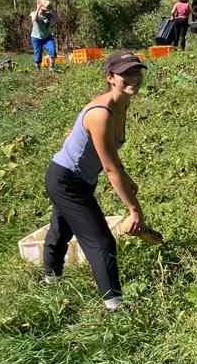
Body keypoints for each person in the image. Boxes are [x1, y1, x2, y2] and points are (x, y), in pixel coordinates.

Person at [44, 51, 150, 310]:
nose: (133, 78)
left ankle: (49, 279)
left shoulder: (122, 103)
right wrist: (134, 209)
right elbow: (110, 168)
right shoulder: (101, 113)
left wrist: (125, 175)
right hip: (66, 180)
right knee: (101, 241)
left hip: (81, 178)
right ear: (110, 78)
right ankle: (115, 305)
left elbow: (110, 157)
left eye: (136, 72)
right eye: (125, 74)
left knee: (62, 227)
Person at [30, 0, 57, 70]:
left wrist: (50, 8)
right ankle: (38, 68)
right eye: (43, 9)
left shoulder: (48, 14)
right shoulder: (34, 13)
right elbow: (34, 19)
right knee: (38, 54)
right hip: (36, 37)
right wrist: (38, 8)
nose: (44, 11)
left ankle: (51, 67)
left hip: (47, 36)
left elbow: (56, 17)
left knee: (52, 49)